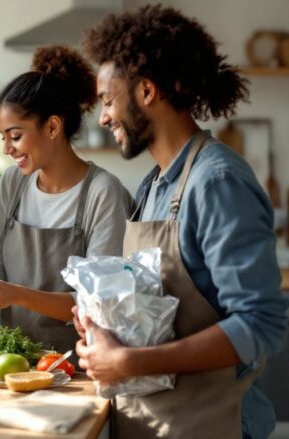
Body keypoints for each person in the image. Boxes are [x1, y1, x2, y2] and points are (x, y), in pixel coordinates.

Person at [74, 5, 289, 438]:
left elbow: (261, 323)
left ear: (147, 91)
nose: (103, 117)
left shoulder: (217, 182)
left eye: (109, 100)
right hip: (157, 420)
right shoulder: (153, 186)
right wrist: (105, 324)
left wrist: (133, 362)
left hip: (214, 422)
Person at [0, 45, 133, 357]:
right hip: (15, 365)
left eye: (15, 136)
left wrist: (16, 295)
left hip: (82, 368)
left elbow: (99, 304)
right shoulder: (14, 183)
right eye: (2, 137)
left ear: (52, 127)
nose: (7, 149)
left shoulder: (103, 193)